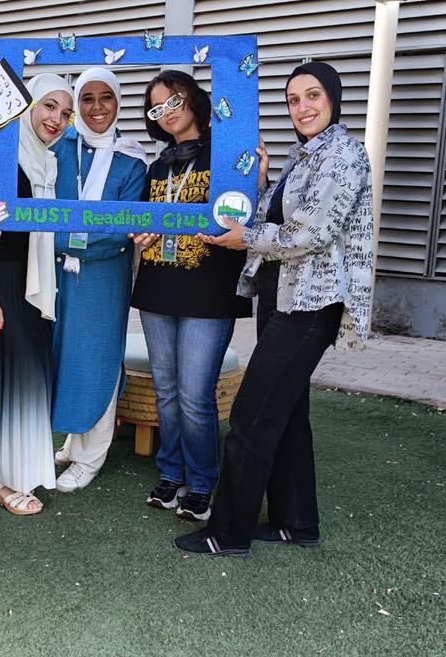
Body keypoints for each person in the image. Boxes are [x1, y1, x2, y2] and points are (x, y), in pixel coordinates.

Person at [175, 61, 373, 557]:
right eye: (293, 99)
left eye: (313, 95)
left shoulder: (344, 154)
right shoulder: (303, 155)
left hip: (310, 303)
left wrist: (245, 237)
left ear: (333, 98)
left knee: (253, 413)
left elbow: (309, 233)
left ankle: (227, 533)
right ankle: (296, 522)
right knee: (286, 413)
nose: (302, 107)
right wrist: (263, 183)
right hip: (280, 294)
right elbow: (280, 217)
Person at [130, 70, 251, 521]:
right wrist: (138, 233)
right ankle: (171, 475)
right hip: (158, 287)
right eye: (156, 108)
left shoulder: (228, 154)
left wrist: (257, 181)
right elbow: (140, 220)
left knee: (195, 395)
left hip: (209, 290)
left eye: (174, 100)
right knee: (166, 390)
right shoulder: (157, 167)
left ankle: (201, 483)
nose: (167, 112)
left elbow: (246, 212)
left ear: (193, 98)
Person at [0, 74, 74, 515]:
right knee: (10, 379)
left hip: (35, 283)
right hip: (2, 281)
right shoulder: (1, 156)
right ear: (28, 105)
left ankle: (15, 472)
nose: (57, 119)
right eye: (49, 106)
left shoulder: (46, 162)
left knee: (30, 376)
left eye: (65, 113)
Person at [50, 67, 148, 492]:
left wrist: (60, 240)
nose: (96, 107)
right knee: (63, 354)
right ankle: (75, 439)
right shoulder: (58, 147)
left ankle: (91, 456)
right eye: (86, 98)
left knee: (96, 357)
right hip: (56, 274)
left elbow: (121, 229)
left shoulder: (131, 159)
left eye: (105, 97)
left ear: (118, 102)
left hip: (104, 275)